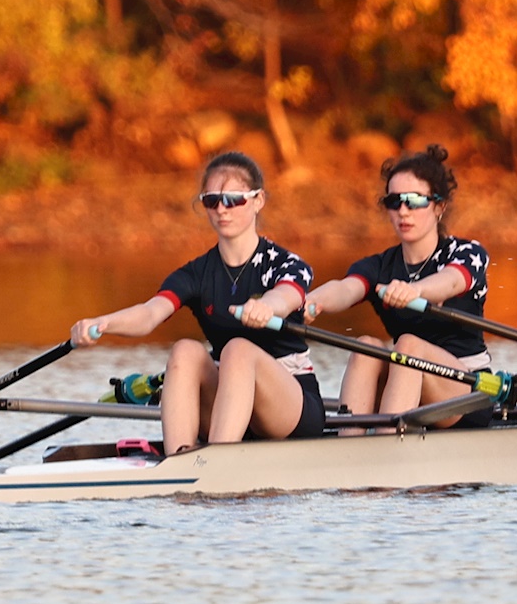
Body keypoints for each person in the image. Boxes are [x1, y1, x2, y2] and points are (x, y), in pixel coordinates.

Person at [68, 149, 325, 453]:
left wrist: (267, 306)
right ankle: (180, 462)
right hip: (228, 400)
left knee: (239, 349)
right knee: (186, 350)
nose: (222, 210)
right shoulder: (196, 273)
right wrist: (104, 322)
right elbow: (150, 314)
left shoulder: (286, 263)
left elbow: (288, 295)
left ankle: (215, 463)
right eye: (211, 200)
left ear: (258, 201)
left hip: (289, 405)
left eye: (233, 199)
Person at [300, 144, 492, 421]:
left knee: (408, 345)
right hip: (408, 381)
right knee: (367, 346)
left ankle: (388, 441)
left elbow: (451, 282)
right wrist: (309, 302)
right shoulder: (380, 266)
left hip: (468, 392)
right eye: (394, 202)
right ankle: (348, 445)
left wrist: (416, 290)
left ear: (439, 206)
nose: (403, 211)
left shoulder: (467, 253)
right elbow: (344, 289)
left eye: (414, 201)